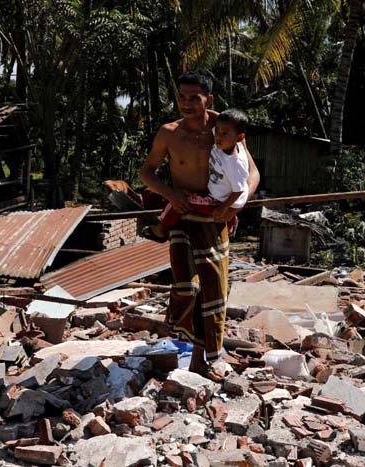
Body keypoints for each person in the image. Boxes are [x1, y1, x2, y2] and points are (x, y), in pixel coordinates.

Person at [139, 72, 260, 379]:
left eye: (194, 98)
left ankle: (200, 358)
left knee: (211, 289)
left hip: (213, 219)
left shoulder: (224, 128)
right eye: (182, 97)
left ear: (209, 99)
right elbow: (147, 173)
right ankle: (187, 341)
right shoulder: (169, 132)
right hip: (181, 216)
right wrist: (170, 194)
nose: (187, 104)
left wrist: (234, 206)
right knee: (185, 285)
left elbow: (253, 174)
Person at [141, 108, 250, 242]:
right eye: (218, 131)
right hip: (220, 197)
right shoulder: (224, 142)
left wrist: (224, 208)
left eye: (225, 133)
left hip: (217, 202)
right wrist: (207, 111)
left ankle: (160, 229)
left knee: (180, 202)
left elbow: (239, 190)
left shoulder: (235, 163)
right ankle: (232, 222)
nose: (219, 136)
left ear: (239, 137)